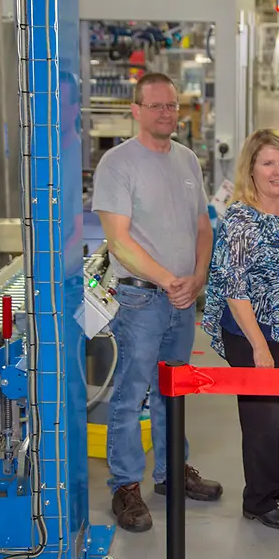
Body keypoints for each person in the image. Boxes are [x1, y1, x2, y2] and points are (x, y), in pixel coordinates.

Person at [91, 71, 223, 534]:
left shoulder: (187, 160)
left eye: (172, 106)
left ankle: (171, 474)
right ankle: (125, 487)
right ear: (137, 111)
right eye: (157, 106)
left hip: (184, 300)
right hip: (142, 300)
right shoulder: (117, 164)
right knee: (131, 396)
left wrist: (198, 277)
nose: (167, 113)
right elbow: (119, 242)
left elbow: (204, 227)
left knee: (176, 390)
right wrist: (170, 279)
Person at [202, 129, 279, 531]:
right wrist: (258, 347)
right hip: (256, 334)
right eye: (268, 163)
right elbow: (235, 291)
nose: (278, 171)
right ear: (251, 169)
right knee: (263, 423)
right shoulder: (241, 219)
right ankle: (257, 499)